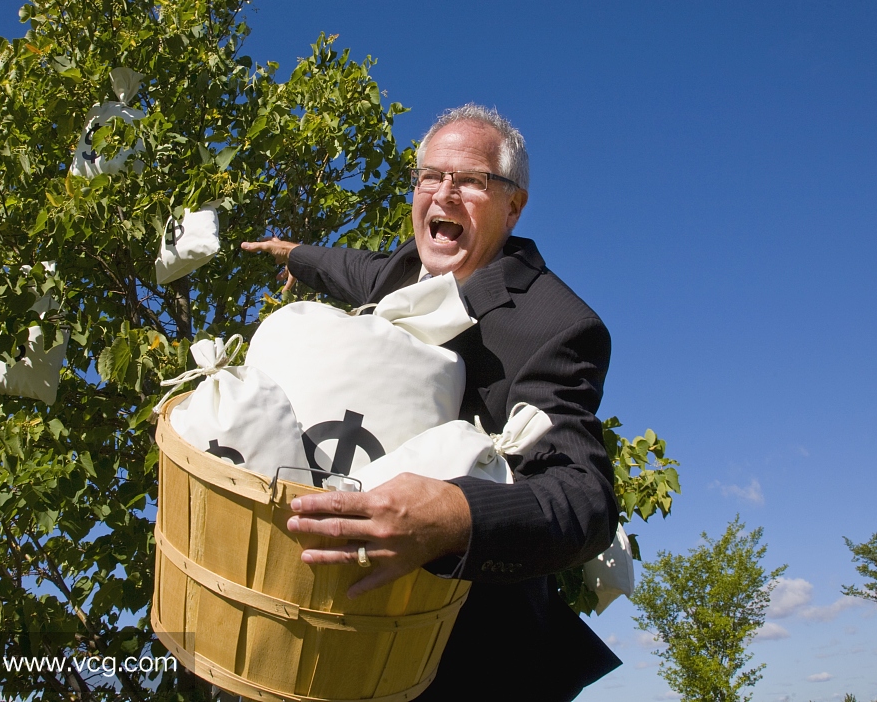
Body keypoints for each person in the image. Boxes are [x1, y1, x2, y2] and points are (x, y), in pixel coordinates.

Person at [241, 104, 621, 700]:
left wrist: (454, 518)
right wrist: (293, 255)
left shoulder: (557, 324)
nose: (444, 194)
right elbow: (349, 267)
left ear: (513, 204)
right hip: (332, 638)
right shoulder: (401, 273)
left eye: (471, 180)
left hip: (467, 659)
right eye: (430, 176)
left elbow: (585, 499)